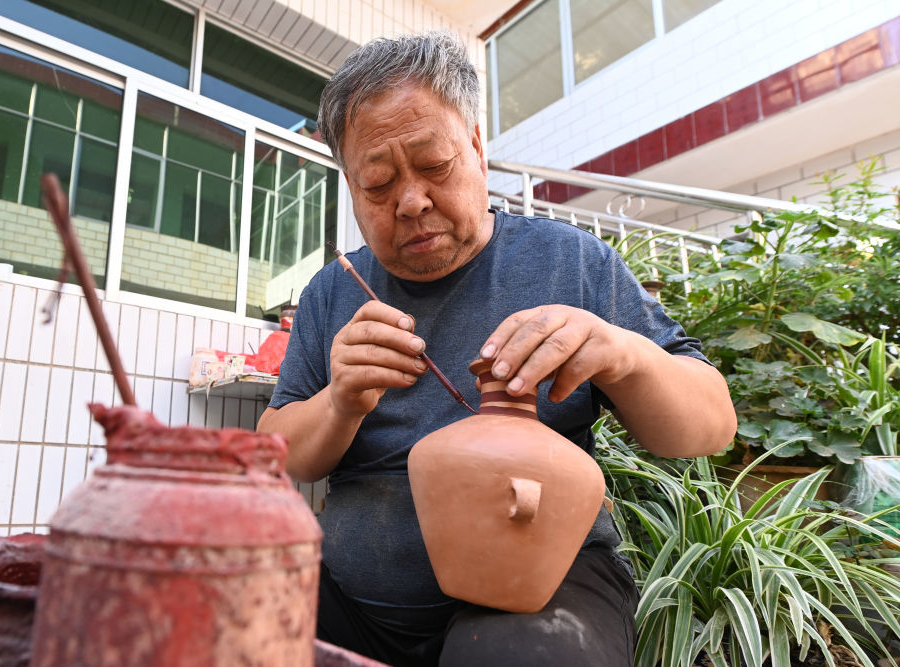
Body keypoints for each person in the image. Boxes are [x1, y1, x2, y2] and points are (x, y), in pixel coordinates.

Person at [257, 32, 737, 666]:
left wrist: (623, 354)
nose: (410, 201)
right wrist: (341, 402)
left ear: (477, 148)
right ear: (350, 187)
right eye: (376, 183)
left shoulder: (571, 263)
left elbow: (710, 426)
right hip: (354, 601)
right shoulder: (332, 292)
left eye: (434, 166)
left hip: (540, 588)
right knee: (227, 610)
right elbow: (279, 449)